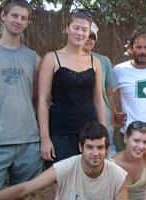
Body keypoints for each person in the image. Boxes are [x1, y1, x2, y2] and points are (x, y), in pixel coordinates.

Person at [0, 0, 42, 195]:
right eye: (14, 15)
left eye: (24, 18)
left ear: (27, 22)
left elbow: (39, 101)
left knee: (24, 196)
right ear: (3, 15)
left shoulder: (34, 59)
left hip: (29, 142)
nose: (18, 21)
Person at [0, 122, 129, 200]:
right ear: (80, 147)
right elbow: (26, 188)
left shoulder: (118, 176)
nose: (95, 153)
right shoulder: (65, 167)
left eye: (100, 148)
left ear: (107, 150)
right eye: (89, 147)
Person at [38, 9, 106, 166]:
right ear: (67, 28)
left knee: (89, 179)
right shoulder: (51, 58)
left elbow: (98, 100)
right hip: (60, 132)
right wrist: (45, 138)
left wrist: (103, 134)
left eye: (84, 29)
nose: (80, 33)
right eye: (76, 28)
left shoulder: (94, 61)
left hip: (89, 133)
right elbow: (43, 100)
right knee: (61, 182)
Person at [113, 32, 146, 162]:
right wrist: (114, 112)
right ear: (131, 49)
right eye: (138, 47)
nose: (142, 51)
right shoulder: (119, 70)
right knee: (129, 172)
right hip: (129, 132)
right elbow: (108, 92)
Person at [83, 22, 117, 157]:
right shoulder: (64, 60)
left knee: (106, 158)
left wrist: (113, 117)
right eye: (87, 35)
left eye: (93, 36)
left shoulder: (103, 61)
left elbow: (109, 93)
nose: (89, 39)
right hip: (80, 119)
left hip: (103, 119)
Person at [112, 121, 146, 200]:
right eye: (136, 140)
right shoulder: (113, 164)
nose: (141, 146)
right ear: (126, 139)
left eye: (145, 142)